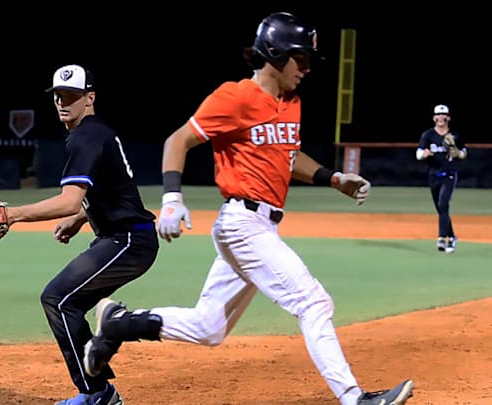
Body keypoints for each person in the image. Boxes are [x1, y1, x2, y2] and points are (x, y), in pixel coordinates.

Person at [82, 12, 415, 405]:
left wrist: (332, 178)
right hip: (242, 224)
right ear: (274, 54)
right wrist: (172, 198)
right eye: (300, 59)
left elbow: (288, 156)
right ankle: (354, 398)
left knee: (209, 328)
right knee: (313, 301)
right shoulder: (235, 97)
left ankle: (119, 324)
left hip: (263, 226)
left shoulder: (291, 103)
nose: (306, 68)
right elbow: (178, 140)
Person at [0, 64, 158, 405]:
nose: (63, 102)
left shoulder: (85, 136)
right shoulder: (94, 132)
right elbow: (110, 190)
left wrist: (11, 214)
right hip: (123, 237)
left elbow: (68, 199)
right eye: (58, 95)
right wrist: (80, 219)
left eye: (72, 96)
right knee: (66, 302)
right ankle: (101, 382)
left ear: (90, 98)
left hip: (130, 240)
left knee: (58, 299)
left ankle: (98, 392)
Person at [416, 104, 467, 253]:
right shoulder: (428, 135)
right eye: (438, 114)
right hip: (433, 175)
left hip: (449, 174)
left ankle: (442, 238)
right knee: (440, 208)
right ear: (434, 118)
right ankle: (452, 237)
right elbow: (418, 153)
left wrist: (458, 153)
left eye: (443, 115)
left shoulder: (455, 136)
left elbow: (464, 153)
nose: (440, 117)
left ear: (448, 118)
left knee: (443, 204)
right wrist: (423, 155)